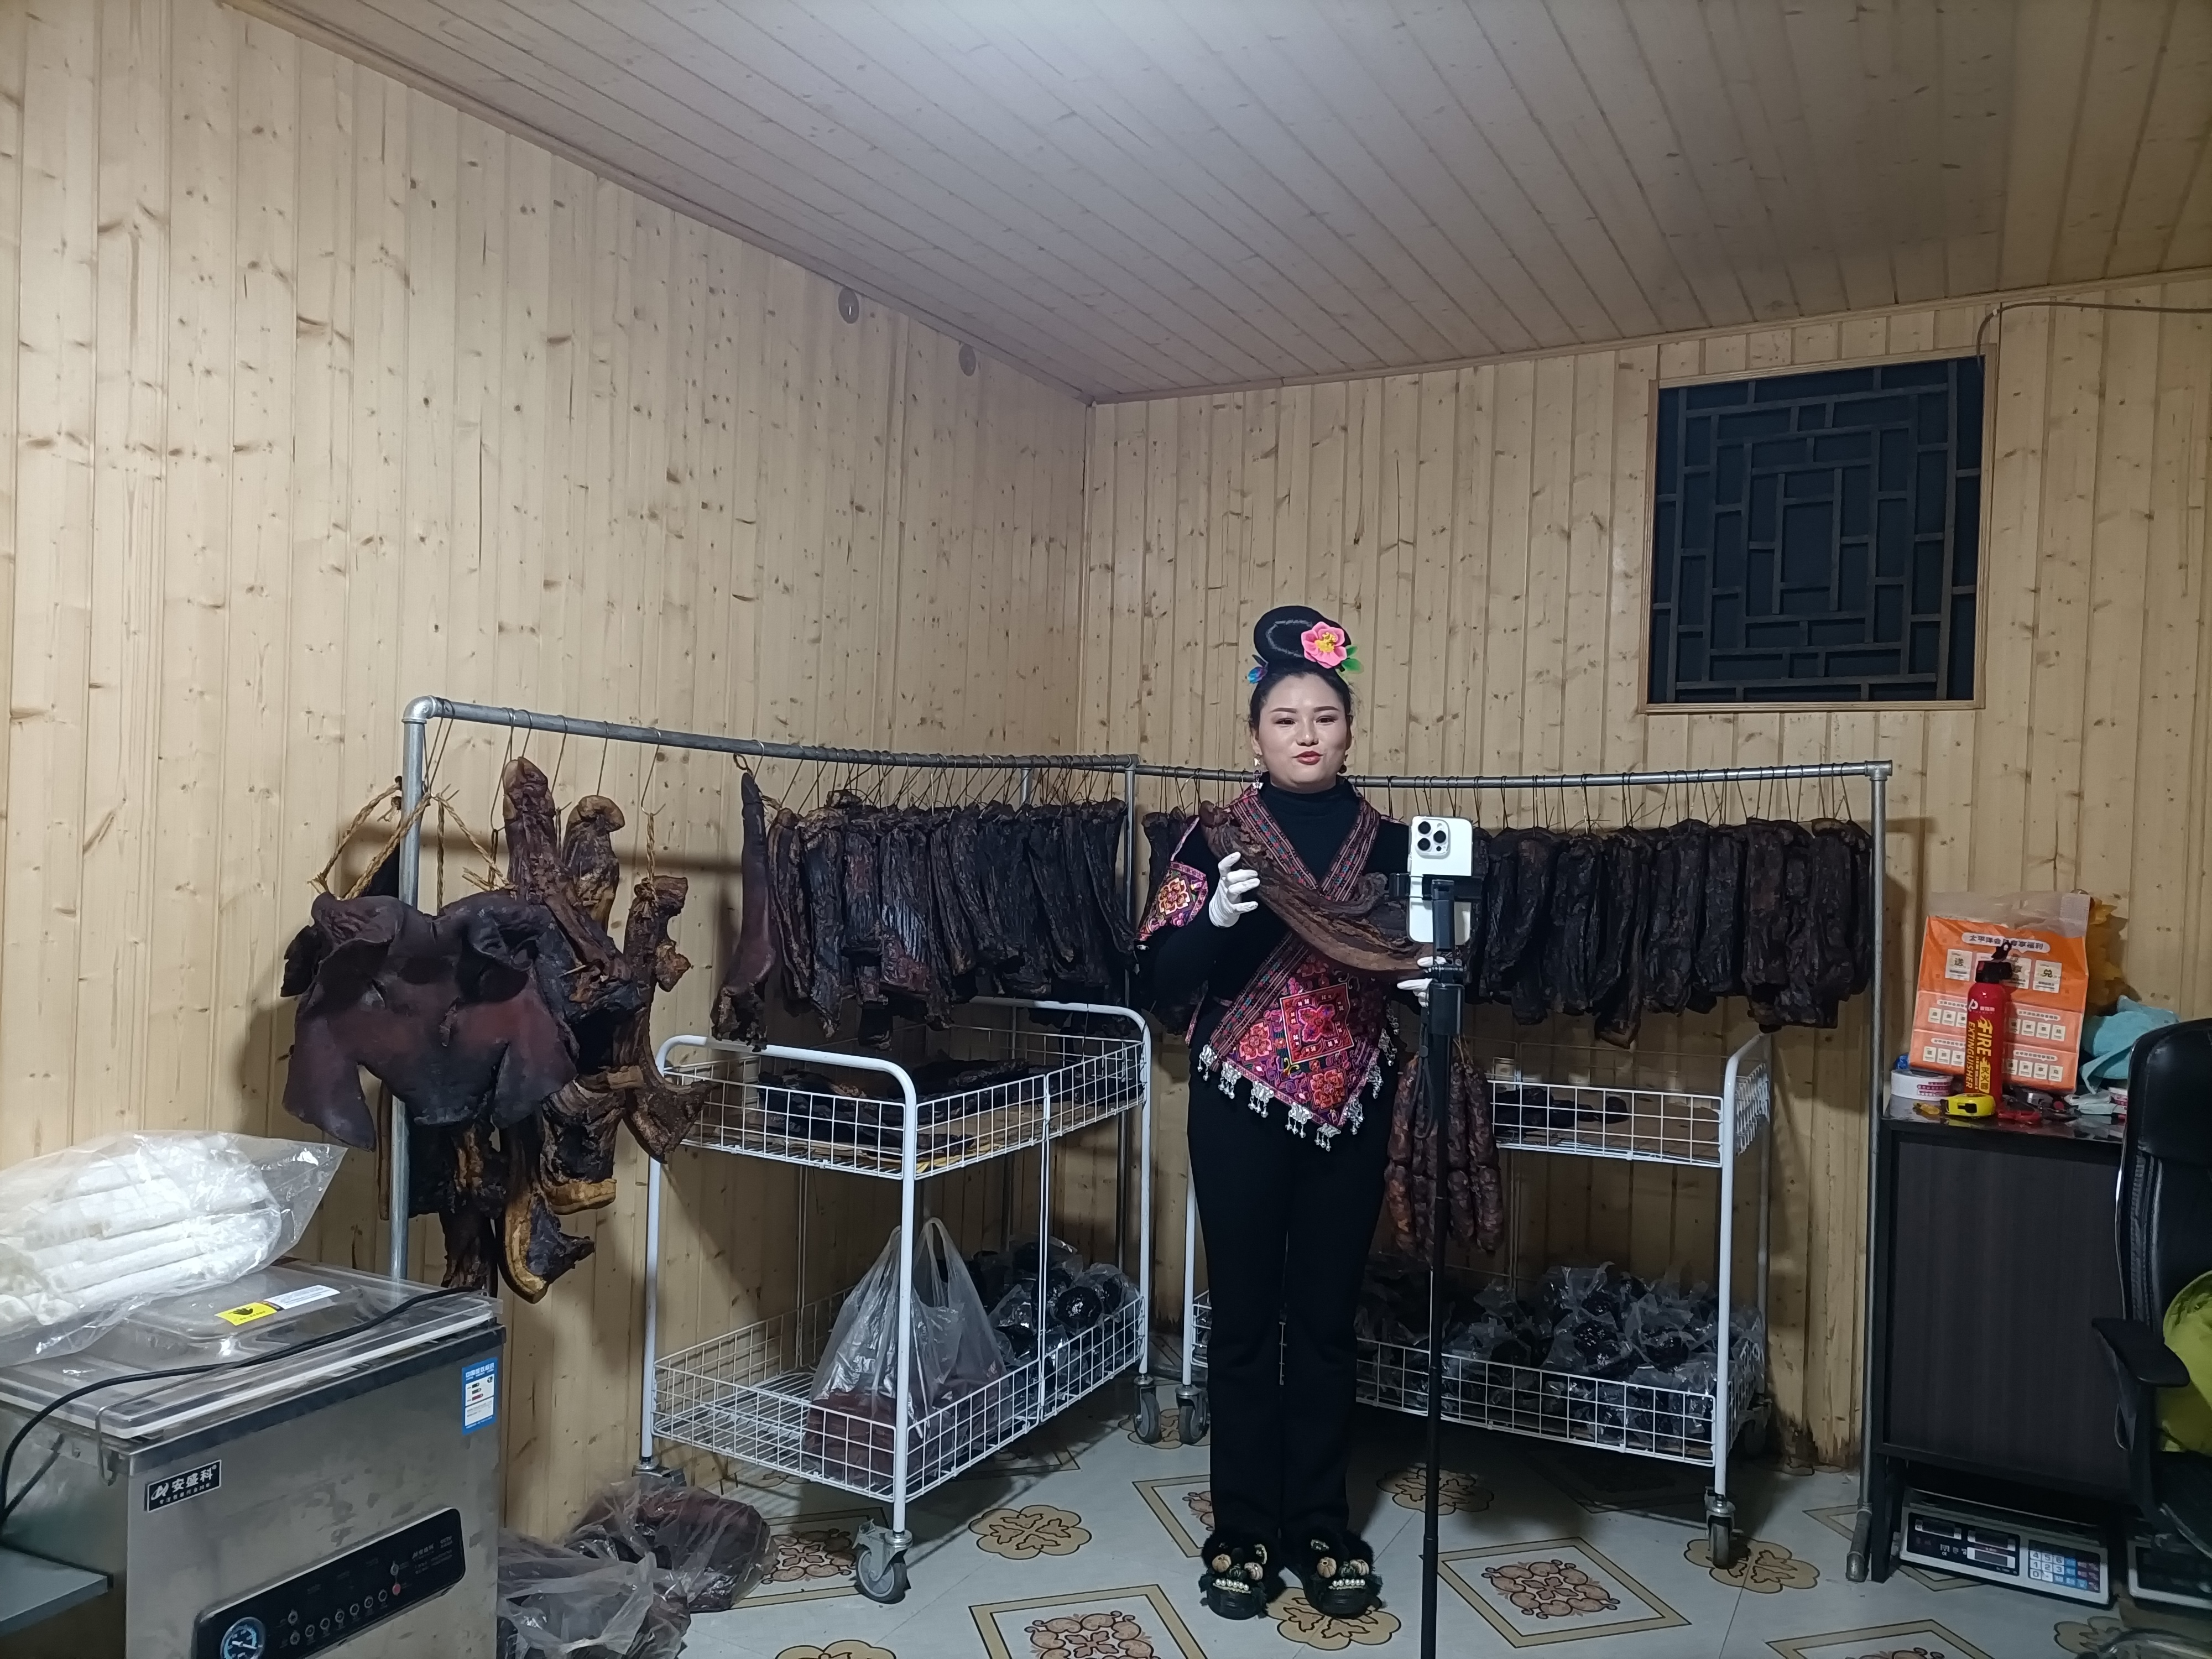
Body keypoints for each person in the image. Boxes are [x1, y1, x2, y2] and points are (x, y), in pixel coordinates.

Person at [1136, 604, 1415, 1623]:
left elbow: (1436, 962)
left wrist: (1432, 976)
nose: (1307, 734)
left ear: (1350, 731)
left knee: (1328, 1323)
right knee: (1247, 1323)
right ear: (1255, 735)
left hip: (1354, 1107)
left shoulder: (1390, 844)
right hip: (1237, 1106)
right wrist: (1213, 918)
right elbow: (1157, 976)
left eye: (1325, 717)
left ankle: (1323, 1526)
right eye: (1286, 718)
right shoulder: (1214, 839)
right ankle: (1244, 1531)